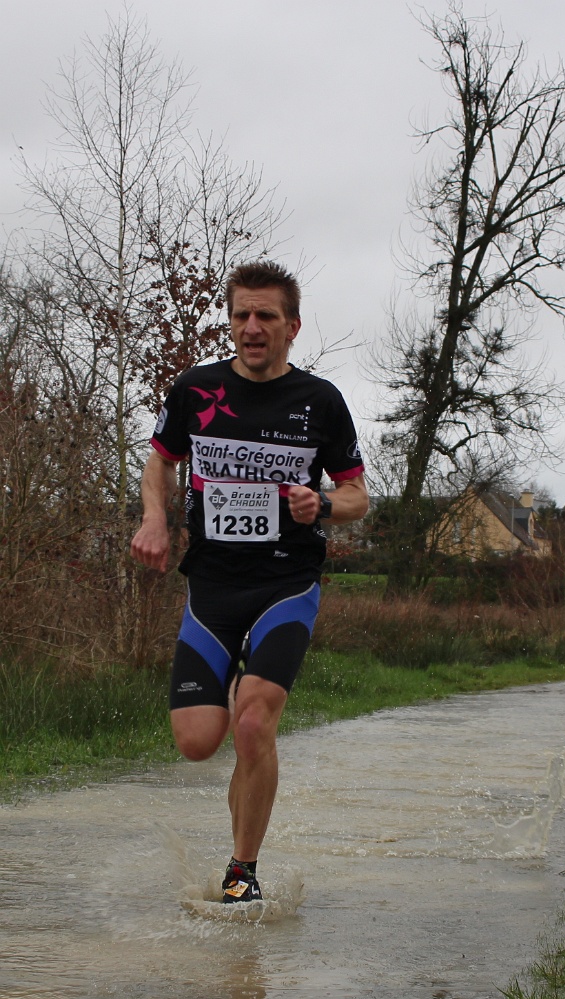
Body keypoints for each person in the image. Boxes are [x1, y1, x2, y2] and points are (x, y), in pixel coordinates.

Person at [130, 261, 368, 903]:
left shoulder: (320, 401)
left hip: (286, 583)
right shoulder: (196, 389)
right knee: (197, 742)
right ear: (231, 322)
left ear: (292, 326)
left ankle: (242, 871)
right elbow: (160, 463)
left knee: (255, 723)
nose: (252, 326)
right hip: (212, 586)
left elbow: (357, 495)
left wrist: (322, 502)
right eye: (241, 315)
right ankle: (238, 698)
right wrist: (154, 518)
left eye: (266, 315)